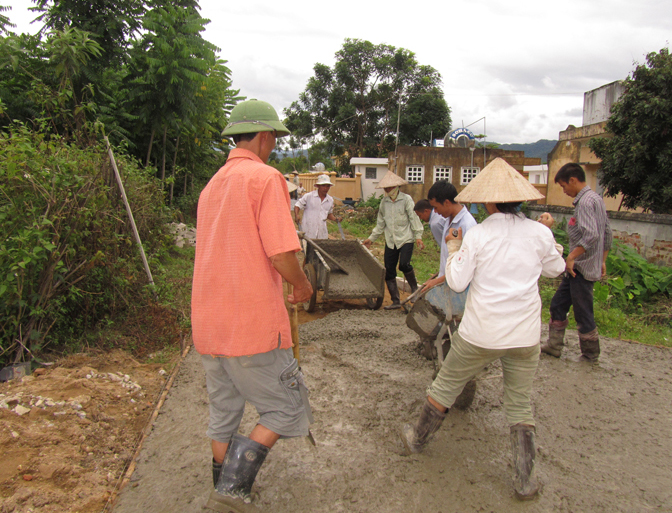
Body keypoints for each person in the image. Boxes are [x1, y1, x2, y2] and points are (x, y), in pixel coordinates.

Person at [398, 158, 566, 500]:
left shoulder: (479, 234)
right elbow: (556, 269)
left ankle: (417, 440)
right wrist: (552, 249)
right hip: (524, 336)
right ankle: (524, 480)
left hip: (481, 334)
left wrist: (457, 248)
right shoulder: (539, 232)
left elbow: (458, 282)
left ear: (489, 201)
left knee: (445, 385)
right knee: (519, 404)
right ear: (519, 200)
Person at [191, 99, 314, 512]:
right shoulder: (265, 178)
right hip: (251, 324)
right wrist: (302, 285)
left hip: (209, 324)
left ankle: (221, 482)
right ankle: (231, 492)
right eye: (275, 139)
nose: (274, 146)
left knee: (224, 409)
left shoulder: (212, 186)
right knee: (286, 406)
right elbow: (281, 254)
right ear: (264, 137)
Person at [540, 162, 612, 362]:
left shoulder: (586, 203)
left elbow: (591, 236)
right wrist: (602, 260)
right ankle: (554, 346)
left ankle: (590, 354)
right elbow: (607, 233)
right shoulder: (597, 199)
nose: (564, 191)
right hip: (580, 268)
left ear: (572, 180)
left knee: (583, 312)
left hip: (581, 268)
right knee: (557, 305)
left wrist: (571, 257)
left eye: (564, 186)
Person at [362, 171, 424, 309]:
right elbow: (380, 224)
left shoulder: (406, 200)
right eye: (386, 188)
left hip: (406, 238)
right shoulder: (384, 203)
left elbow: (414, 218)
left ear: (396, 187)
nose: (387, 190)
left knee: (404, 264)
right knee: (389, 271)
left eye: (389, 188)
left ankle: (415, 290)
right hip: (391, 241)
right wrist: (371, 239)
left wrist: (418, 236)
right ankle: (395, 301)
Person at [420, 180, 477, 292]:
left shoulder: (467, 225)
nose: (435, 212)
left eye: (436, 207)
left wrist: (437, 281)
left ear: (446, 203)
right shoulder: (448, 219)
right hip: (447, 282)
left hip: (460, 287)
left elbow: (466, 267)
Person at [294, 174, 341, 239]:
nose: (325, 188)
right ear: (318, 186)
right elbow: (297, 205)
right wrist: (297, 215)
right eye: (323, 186)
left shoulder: (330, 200)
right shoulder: (309, 196)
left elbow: (328, 214)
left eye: (327, 186)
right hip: (308, 231)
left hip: (322, 234)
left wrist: (335, 219)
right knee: (307, 248)